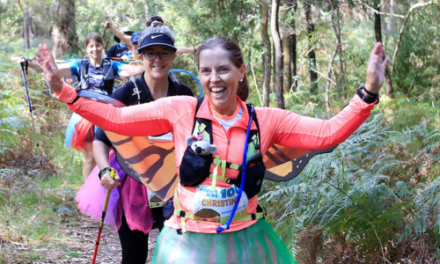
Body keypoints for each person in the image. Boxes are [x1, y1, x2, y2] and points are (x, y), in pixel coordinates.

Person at [37, 35, 389, 263]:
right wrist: (64, 92)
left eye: (223, 70)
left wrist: (368, 93)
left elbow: (328, 133)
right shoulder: (181, 110)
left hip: (247, 242)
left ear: (240, 72)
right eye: (206, 71)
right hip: (186, 244)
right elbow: (119, 121)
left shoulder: (266, 121)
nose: (214, 78)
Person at [76, 19, 194, 264]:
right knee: (133, 256)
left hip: (173, 185)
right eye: (151, 54)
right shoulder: (127, 93)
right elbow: (100, 137)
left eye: (164, 53)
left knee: (177, 254)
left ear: (173, 57)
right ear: (141, 56)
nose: (157, 60)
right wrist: (103, 170)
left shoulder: (184, 94)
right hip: (131, 183)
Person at [23, 32, 144, 181]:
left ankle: (108, 185)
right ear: (86, 48)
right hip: (86, 115)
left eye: (98, 45)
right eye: (91, 46)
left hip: (107, 113)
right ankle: (89, 190)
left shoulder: (112, 64)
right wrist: (29, 63)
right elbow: (51, 71)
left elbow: (131, 70)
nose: (95, 49)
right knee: (90, 157)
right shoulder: (79, 65)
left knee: (110, 154)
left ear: (103, 46)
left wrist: (150, 65)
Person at [105, 14, 201, 58]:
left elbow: (177, 49)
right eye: (152, 24)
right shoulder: (141, 38)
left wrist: (194, 49)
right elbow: (122, 36)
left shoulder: (163, 38)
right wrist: (111, 27)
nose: (155, 25)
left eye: (158, 23)